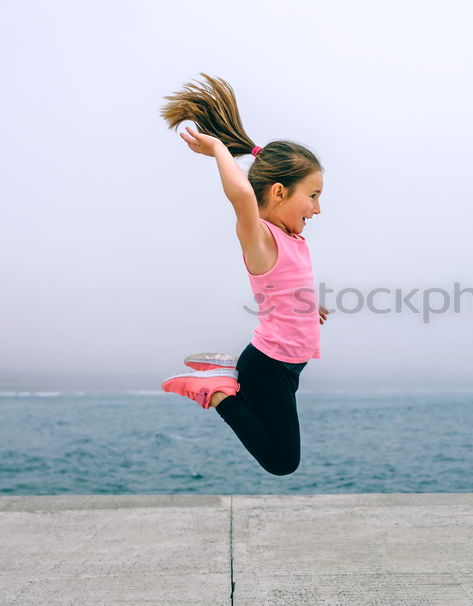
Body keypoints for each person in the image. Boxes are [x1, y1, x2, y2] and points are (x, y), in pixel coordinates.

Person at [157, 73, 330, 476]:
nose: (318, 209)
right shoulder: (261, 238)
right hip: (269, 367)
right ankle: (216, 392)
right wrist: (219, 149)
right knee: (281, 462)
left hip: (286, 368)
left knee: (281, 455)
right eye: (314, 196)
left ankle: (223, 379)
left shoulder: (290, 240)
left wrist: (306, 307)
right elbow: (239, 195)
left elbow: (286, 284)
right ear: (279, 193)